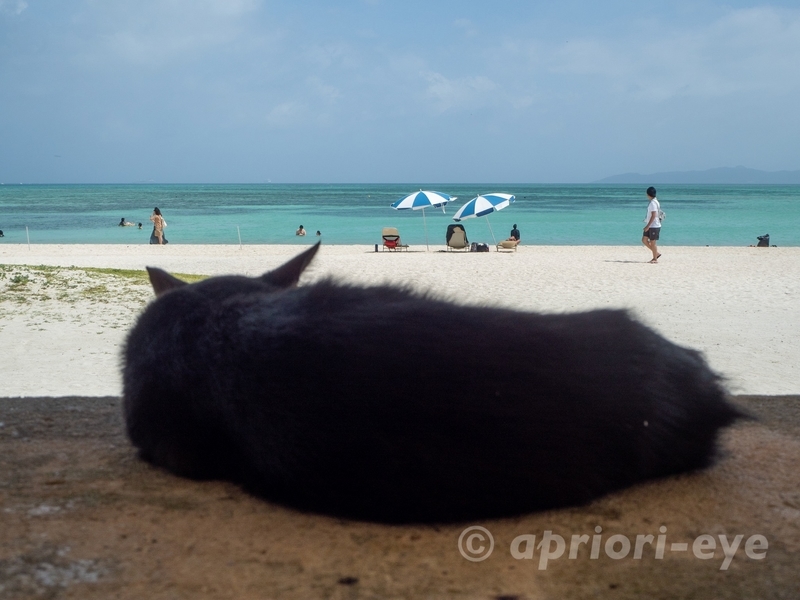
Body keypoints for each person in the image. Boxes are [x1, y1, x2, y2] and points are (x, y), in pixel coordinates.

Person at [642, 187, 662, 263]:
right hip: (651, 225)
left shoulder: (653, 203)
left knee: (653, 242)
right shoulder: (654, 201)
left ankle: (655, 259)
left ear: (648, 194)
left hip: (654, 226)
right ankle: (656, 253)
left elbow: (654, 215)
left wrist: (647, 226)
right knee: (644, 240)